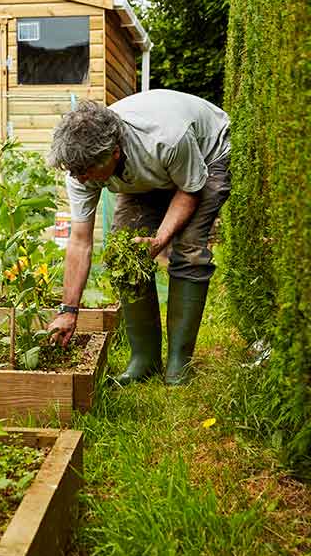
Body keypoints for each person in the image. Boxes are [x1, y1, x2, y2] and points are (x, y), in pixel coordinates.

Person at [45, 90, 231, 386]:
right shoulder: (82, 168)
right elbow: (80, 240)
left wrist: (159, 240)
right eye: (74, 172)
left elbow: (190, 189)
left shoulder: (167, 137)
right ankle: (144, 360)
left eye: (86, 172)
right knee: (125, 255)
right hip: (152, 171)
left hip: (206, 156)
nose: (80, 179)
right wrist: (68, 311)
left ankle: (178, 363)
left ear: (114, 152)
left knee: (190, 250)